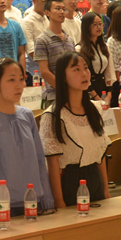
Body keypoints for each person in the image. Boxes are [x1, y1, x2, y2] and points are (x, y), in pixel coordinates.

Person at [0, 57, 53, 218]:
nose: (19, 86)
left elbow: (39, 161)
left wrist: (47, 198)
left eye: (21, 79)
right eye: (11, 80)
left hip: (34, 202)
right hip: (3, 206)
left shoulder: (27, 115)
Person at [40, 52, 110, 207]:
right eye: (76, 69)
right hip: (70, 182)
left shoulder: (95, 109)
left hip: (95, 178)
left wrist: (106, 189)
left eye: (85, 68)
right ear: (63, 77)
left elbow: (100, 154)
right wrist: (59, 200)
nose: (84, 73)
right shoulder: (53, 116)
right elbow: (52, 163)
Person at [77, 12, 115, 105]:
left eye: (100, 24)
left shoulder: (104, 47)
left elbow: (109, 71)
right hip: (88, 90)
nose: (99, 27)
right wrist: (95, 96)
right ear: (87, 26)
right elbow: (82, 75)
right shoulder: (79, 49)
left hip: (103, 89)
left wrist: (109, 94)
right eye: (95, 24)